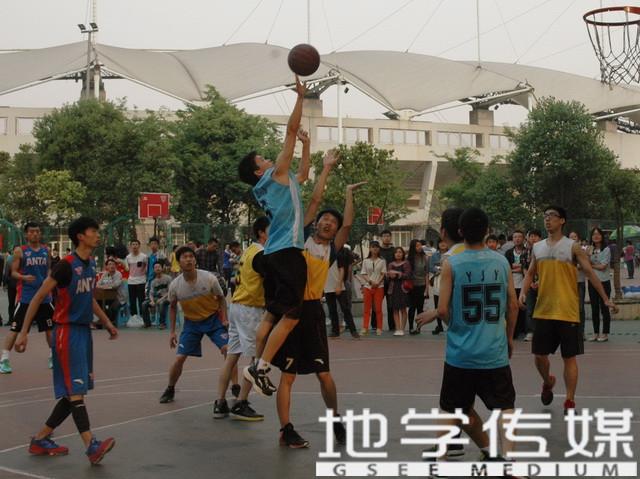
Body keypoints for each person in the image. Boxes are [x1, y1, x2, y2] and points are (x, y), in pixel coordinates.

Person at [416, 208, 519, 462]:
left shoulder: (452, 263)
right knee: (504, 406)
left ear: (461, 232)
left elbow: (442, 309)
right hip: (494, 350)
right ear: (487, 231)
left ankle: (441, 457)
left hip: (460, 353)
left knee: (452, 406)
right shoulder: (501, 262)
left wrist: (456, 327)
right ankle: (509, 459)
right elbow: (513, 305)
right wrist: (508, 337)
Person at [14, 217, 118, 464]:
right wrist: (24, 332)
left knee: (73, 392)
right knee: (75, 392)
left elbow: (89, 298)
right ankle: (91, 445)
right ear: (80, 236)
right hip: (67, 333)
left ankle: (41, 439)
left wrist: (107, 322)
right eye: (93, 231)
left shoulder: (90, 264)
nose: (97, 235)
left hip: (83, 333)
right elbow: (38, 297)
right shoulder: (66, 266)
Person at [272, 181, 364, 448]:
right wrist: (325, 171)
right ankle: (286, 429)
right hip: (291, 310)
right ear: (316, 223)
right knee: (288, 375)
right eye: (325, 219)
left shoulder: (331, 250)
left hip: (312, 312)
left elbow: (348, 224)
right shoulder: (299, 240)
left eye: (333, 222)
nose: (328, 223)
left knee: (324, 374)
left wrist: (348, 193)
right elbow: (313, 201)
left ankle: (335, 418)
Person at [238, 76, 314, 397]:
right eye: (262, 160)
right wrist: (300, 98)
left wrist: (307, 147)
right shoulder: (275, 174)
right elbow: (290, 131)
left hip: (275, 254)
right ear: (260, 171)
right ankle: (262, 367)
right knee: (292, 315)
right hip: (287, 253)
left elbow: (303, 175)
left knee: (273, 312)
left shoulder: (274, 184)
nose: (268, 159)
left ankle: (257, 362)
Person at [519, 206, 618, 413]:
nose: (547, 220)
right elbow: (530, 273)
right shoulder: (538, 247)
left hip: (567, 310)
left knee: (569, 357)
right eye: (545, 216)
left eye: (552, 216)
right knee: (539, 356)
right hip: (544, 310)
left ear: (562, 220)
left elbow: (590, 272)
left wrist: (605, 298)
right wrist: (523, 292)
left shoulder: (573, 246)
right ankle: (548, 381)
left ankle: (570, 401)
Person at [214, 217, 270, 421]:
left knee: (232, 356)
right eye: (272, 229)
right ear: (262, 232)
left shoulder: (248, 250)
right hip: (250, 309)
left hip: (237, 305)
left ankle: (220, 402)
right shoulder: (262, 253)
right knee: (257, 358)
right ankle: (241, 402)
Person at [159, 246, 228, 404]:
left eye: (191, 256)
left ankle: (235, 386)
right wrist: (172, 332)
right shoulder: (175, 285)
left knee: (228, 350)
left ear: (195, 260)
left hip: (213, 319)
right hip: (191, 323)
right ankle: (170, 388)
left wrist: (224, 318)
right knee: (179, 358)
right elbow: (172, 307)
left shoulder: (209, 278)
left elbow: (221, 299)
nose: (189, 259)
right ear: (179, 262)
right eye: (185, 257)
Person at [1, 223, 54, 374]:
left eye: (37, 231)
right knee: (15, 328)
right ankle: (4, 359)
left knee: (50, 329)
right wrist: (24, 277)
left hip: (44, 297)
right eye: (32, 232)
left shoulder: (46, 250)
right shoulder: (20, 251)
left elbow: (49, 269)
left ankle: (53, 356)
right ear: (26, 234)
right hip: (26, 297)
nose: (35, 234)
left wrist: (48, 278)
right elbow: (13, 272)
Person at [324, 245, 359, 339]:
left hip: (339, 286)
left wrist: (339, 284)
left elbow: (341, 269)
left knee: (345, 309)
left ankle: (353, 331)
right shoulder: (321, 256)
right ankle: (335, 331)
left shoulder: (337, 255)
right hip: (327, 286)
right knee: (332, 310)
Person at [588, 227, 612, 342]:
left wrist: (591, 266)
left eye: (598, 234)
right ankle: (596, 332)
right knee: (594, 308)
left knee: (604, 307)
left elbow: (603, 266)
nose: (596, 236)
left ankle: (605, 333)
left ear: (602, 236)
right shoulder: (590, 249)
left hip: (604, 282)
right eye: (594, 234)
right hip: (592, 281)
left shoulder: (606, 249)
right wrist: (588, 255)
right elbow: (585, 263)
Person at [359, 241, 386, 336]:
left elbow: (383, 273)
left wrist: (378, 282)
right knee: (367, 308)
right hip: (368, 286)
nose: (375, 249)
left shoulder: (382, 261)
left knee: (378, 309)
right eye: (373, 247)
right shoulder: (366, 261)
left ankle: (379, 328)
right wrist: (370, 282)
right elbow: (363, 273)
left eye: (377, 247)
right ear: (370, 248)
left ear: (379, 249)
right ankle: (365, 327)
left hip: (379, 287)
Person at [504, 230, 528, 339]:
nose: (517, 239)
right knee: (512, 306)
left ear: (523, 238)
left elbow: (527, 267)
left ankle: (524, 329)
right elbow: (507, 267)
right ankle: (514, 331)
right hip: (512, 283)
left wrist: (518, 267)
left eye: (519, 237)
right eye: (515, 237)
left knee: (523, 306)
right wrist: (519, 268)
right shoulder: (508, 253)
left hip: (524, 283)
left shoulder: (527, 251)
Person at [523, 229, 542, 342]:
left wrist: (539, 281)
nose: (533, 238)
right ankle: (530, 331)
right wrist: (530, 283)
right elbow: (525, 269)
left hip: (543, 284)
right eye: (531, 236)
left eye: (535, 236)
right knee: (530, 308)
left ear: (540, 238)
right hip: (530, 285)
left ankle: (542, 331)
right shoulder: (525, 252)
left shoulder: (544, 251)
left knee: (542, 308)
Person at [387, 247, 411, 336]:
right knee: (395, 309)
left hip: (403, 288)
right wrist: (389, 276)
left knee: (403, 309)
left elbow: (408, 275)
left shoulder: (406, 263)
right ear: (394, 254)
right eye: (396, 252)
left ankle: (402, 329)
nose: (398, 254)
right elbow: (388, 276)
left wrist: (397, 274)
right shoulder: (390, 264)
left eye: (400, 252)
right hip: (393, 289)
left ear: (403, 254)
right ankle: (397, 328)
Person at [407, 239, 429, 335]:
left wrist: (427, 289)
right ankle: (411, 327)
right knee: (412, 307)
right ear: (413, 247)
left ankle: (418, 327)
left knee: (420, 308)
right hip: (412, 286)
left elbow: (427, 274)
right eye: (417, 246)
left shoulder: (425, 258)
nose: (419, 247)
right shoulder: (409, 259)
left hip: (422, 285)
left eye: (420, 245)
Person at [569, 231, 587, 338]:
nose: (573, 239)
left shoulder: (582, 251)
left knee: (580, 308)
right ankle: (571, 331)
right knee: (570, 307)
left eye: (574, 237)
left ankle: (581, 331)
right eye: (570, 237)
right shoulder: (566, 251)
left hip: (580, 282)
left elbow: (585, 265)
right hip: (568, 283)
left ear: (578, 239)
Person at [142, 261, 171, 329]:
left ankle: (162, 323)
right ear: (153, 270)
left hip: (167, 298)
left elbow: (170, 291)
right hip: (157, 298)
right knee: (144, 304)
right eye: (155, 267)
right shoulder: (153, 281)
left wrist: (161, 299)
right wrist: (152, 301)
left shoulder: (168, 278)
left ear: (162, 268)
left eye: (159, 267)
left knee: (161, 303)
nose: (157, 268)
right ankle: (147, 323)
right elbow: (151, 293)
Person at [96, 258, 125, 327]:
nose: (112, 266)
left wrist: (105, 286)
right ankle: (104, 320)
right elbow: (98, 284)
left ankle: (111, 321)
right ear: (106, 267)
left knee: (113, 307)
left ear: (116, 266)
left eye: (113, 264)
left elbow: (115, 285)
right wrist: (104, 286)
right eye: (110, 264)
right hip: (107, 297)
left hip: (119, 298)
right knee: (98, 302)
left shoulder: (118, 274)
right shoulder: (105, 274)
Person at [429, 239, 449, 335]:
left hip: (448, 281)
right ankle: (439, 325)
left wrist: (441, 268)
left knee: (450, 305)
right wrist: (439, 270)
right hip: (438, 281)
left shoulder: (451, 254)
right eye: (441, 243)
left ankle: (450, 325)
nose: (443, 244)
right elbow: (431, 267)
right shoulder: (434, 255)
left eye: (444, 242)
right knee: (437, 305)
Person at [125, 239, 147, 323]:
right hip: (131, 281)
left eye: (136, 244)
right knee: (132, 300)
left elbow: (147, 267)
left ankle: (142, 317)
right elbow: (127, 268)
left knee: (141, 299)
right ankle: (133, 317)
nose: (134, 246)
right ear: (130, 246)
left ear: (139, 246)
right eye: (133, 244)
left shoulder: (144, 256)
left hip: (141, 281)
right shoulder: (128, 257)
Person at [378, 229, 396, 332]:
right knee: (377, 304)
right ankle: (375, 325)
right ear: (381, 238)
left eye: (388, 236)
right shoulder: (377, 250)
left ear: (391, 237)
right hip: (379, 281)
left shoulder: (394, 250)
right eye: (384, 236)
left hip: (391, 282)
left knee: (391, 304)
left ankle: (392, 326)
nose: (386, 238)